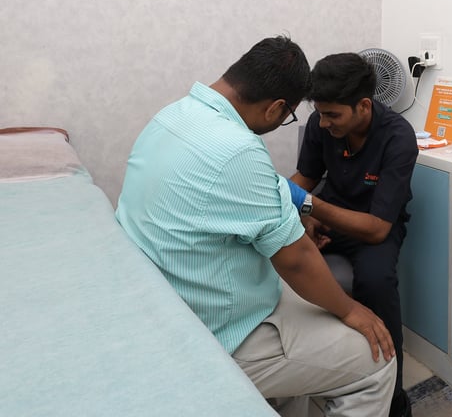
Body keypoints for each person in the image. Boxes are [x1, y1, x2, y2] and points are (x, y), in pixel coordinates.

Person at [115, 36, 396, 417]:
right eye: (289, 116)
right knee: (377, 361)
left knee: (360, 284)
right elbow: (296, 258)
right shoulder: (239, 150)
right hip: (216, 329)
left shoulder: (172, 116)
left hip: (164, 302)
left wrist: (298, 207)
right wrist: (350, 311)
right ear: (276, 107)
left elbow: (284, 193)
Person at [288, 53, 418, 417]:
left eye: (333, 115)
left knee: (377, 283)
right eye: (320, 113)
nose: (323, 122)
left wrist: (309, 207)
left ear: (363, 106)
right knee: (279, 257)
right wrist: (295, 216)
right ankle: (307, 375)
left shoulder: (398, 137)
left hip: (374, 225)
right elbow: (305, 179)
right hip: (328, 215)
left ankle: (393, 398)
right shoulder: (321, 124)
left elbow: (377, 229)